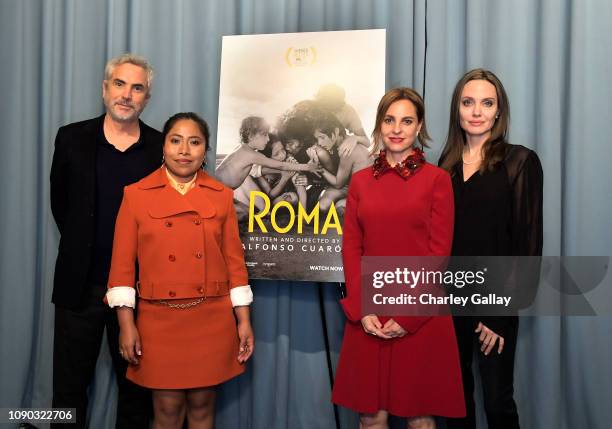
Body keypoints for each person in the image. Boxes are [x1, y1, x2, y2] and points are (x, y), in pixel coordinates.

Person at [105, 112, 254, 429]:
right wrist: (126, 325)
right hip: (159, 321)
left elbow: (235, 265)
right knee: (167, 411)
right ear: (164, 146)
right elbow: (120, 270)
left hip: (211, 318)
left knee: (202, 408)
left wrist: (243, 320)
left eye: (195, 142)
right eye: (176, 141)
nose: (184, 150)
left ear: (205, 150)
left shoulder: (222, 197)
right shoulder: (135, 195)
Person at [332, 88, 465, 428]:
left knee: (420, 419)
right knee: (370, 418)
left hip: (419, 312)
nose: (396, 128)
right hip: (370, 313)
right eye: (389, 120)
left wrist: (407, 316)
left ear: (419, 126)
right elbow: (352, 248)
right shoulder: (360, 182)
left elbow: (439, 256)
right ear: (378, 125)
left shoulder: (438, 181)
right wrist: (363, 309)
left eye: (406, 121)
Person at [50, 53, 161, 428]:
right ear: (104, 89)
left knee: (136, 392)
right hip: (79, 288)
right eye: (119, 84)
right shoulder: (71, 139)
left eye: (137, 87)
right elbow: (61, 205)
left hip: (139, 294)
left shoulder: (161, 150)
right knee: (67, 391)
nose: (126, 95)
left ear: (147, 98)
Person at [438, 69, 543, 429]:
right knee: (455, 402)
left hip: (495, 303)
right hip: (449, 301)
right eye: (468, 103)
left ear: (499, 111)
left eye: (487, 103)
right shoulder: (445, 166)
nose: (477, 111)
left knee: (498, 402)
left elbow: (528, 245)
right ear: (458, 110)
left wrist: (499, 313)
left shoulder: (519, 161)